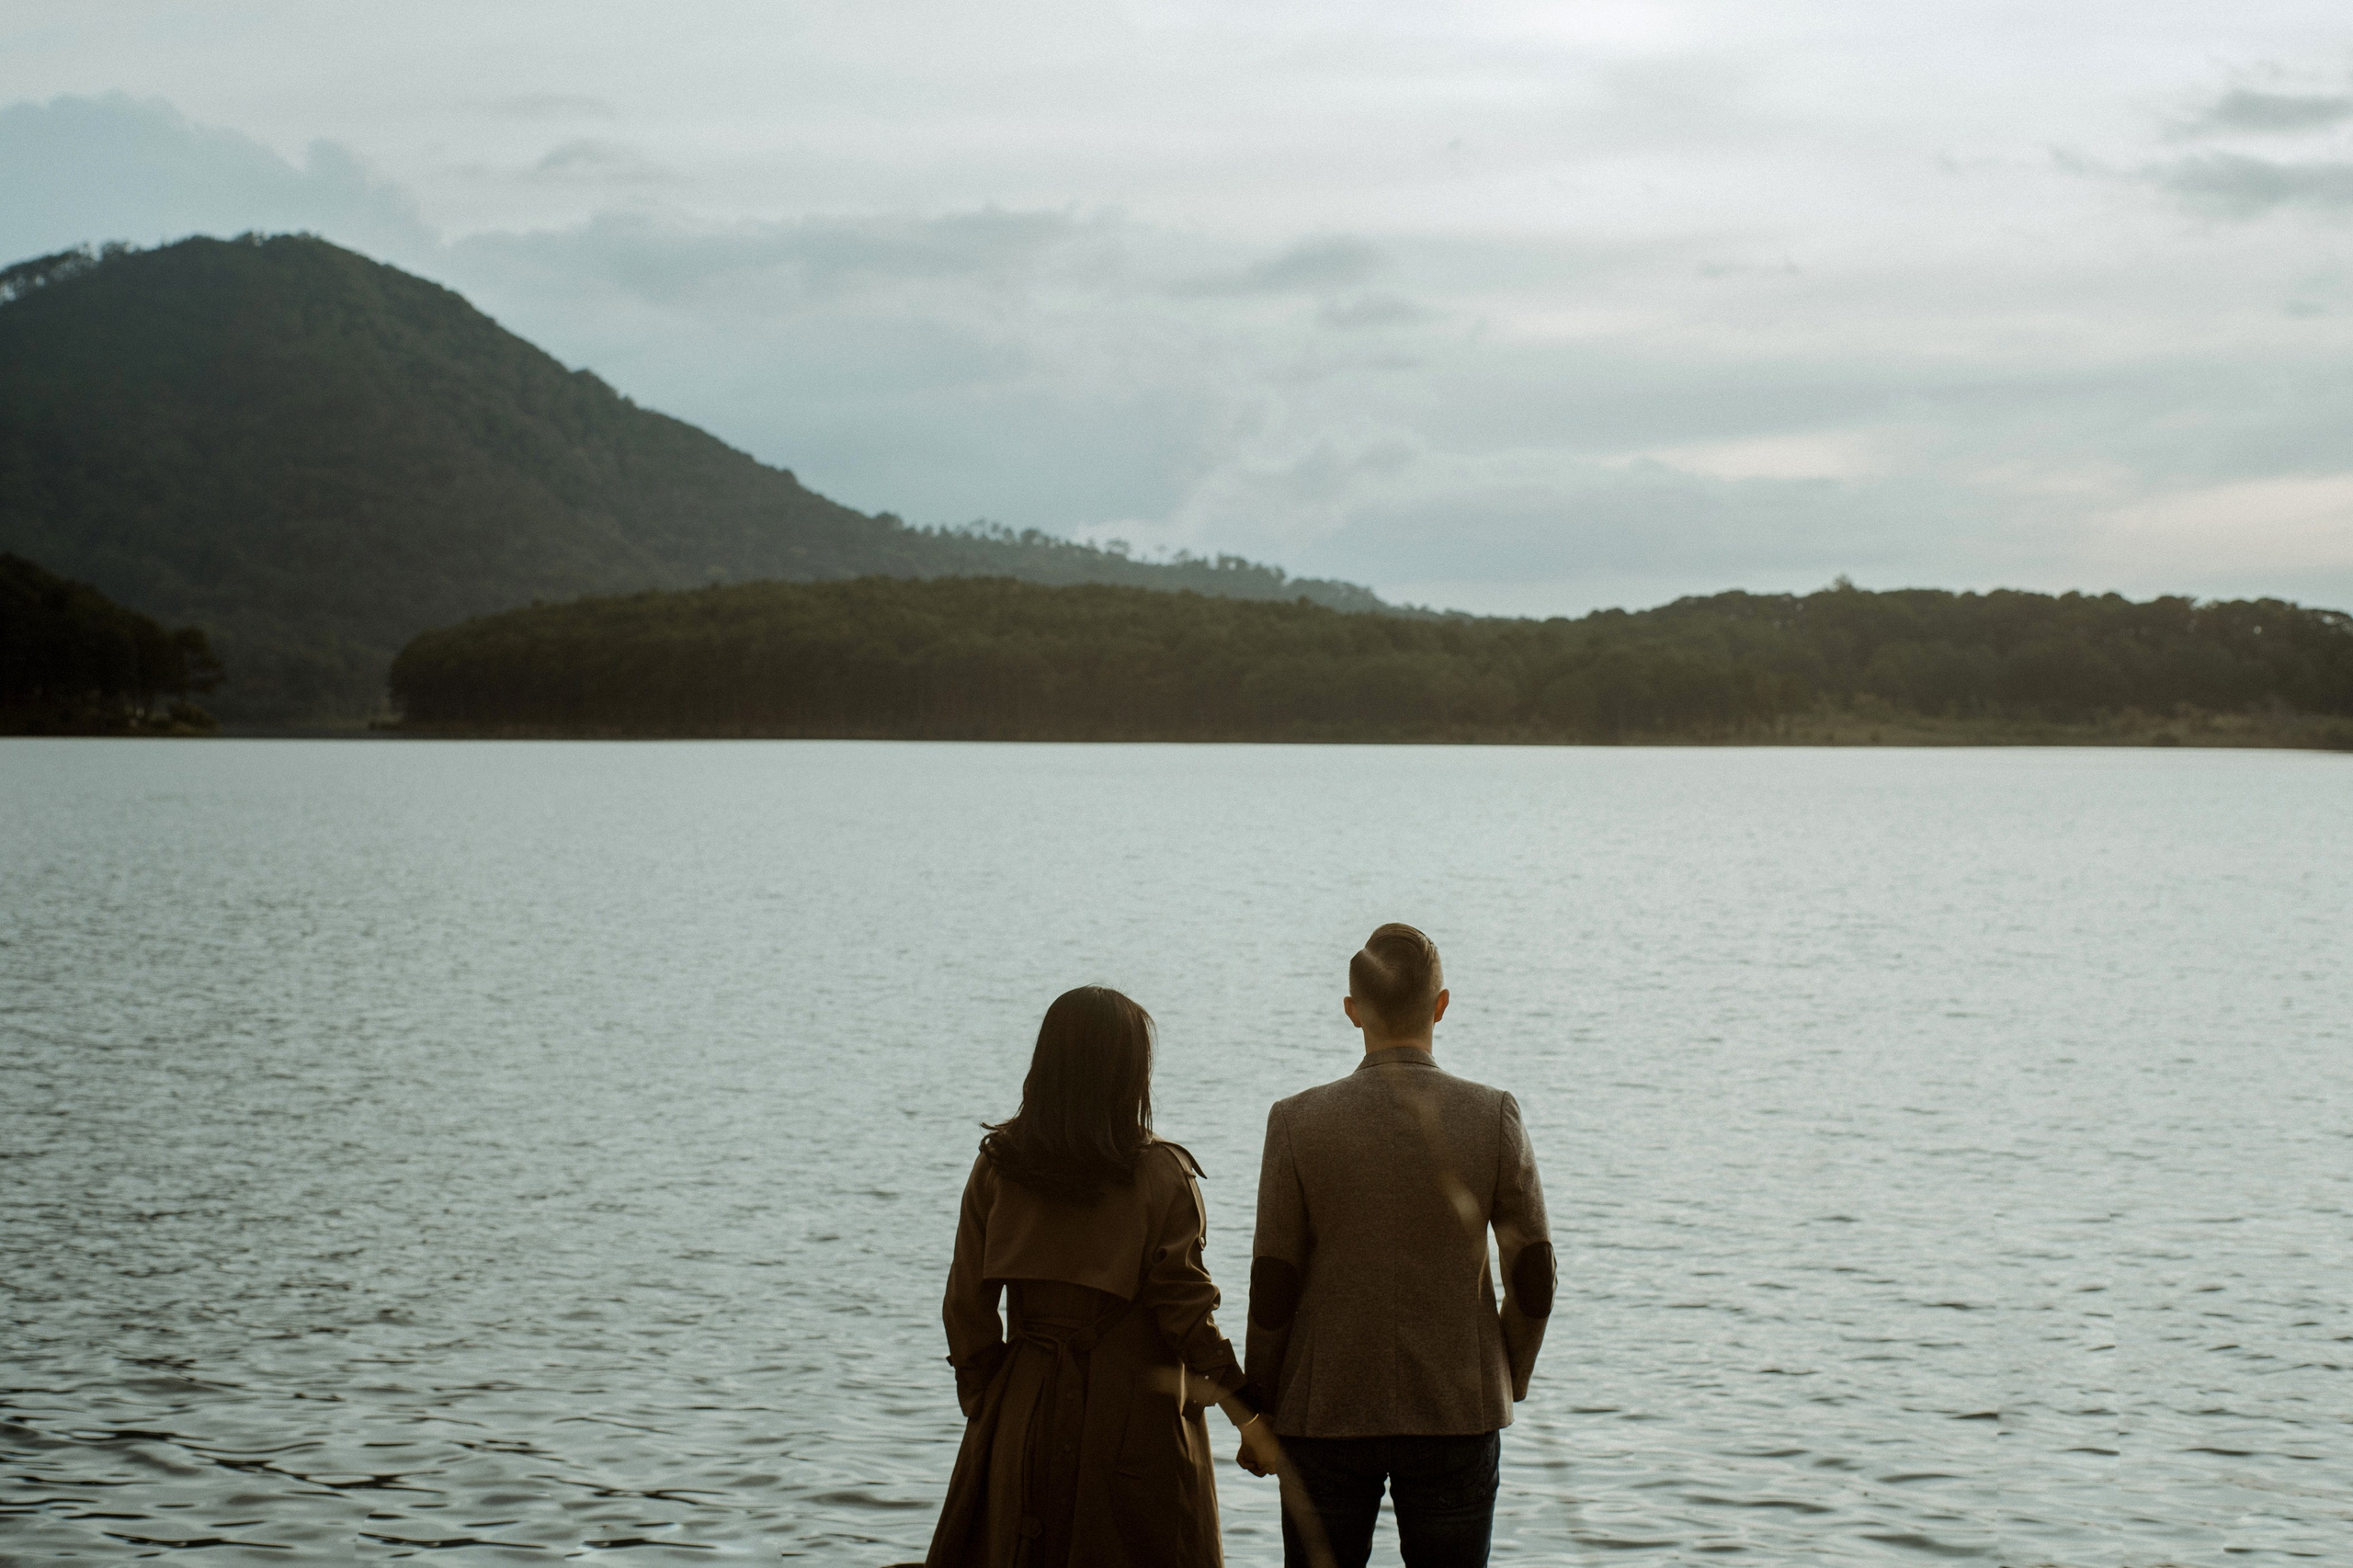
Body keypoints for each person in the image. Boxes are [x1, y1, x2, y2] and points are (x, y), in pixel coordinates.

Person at [926, 985, 1280, 1568]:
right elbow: (1188, 1317)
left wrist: (991, 1406)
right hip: (1135, 1425)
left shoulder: (998, 1165)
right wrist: (1249, 1414)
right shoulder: (1164, 1175)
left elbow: (965, 1307)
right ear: (1130, 1073)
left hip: (1022, 1413)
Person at [1239, 924, 1553, 1568]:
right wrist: (1506, 1375)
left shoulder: (1297, 1120)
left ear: (1352, 1011)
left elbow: (1273, 1284)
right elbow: (1535, 1277)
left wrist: (1258, 1405)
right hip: (1459, 1411)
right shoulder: (1493, 1114)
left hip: (1321, 1412)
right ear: (1441, 1005)